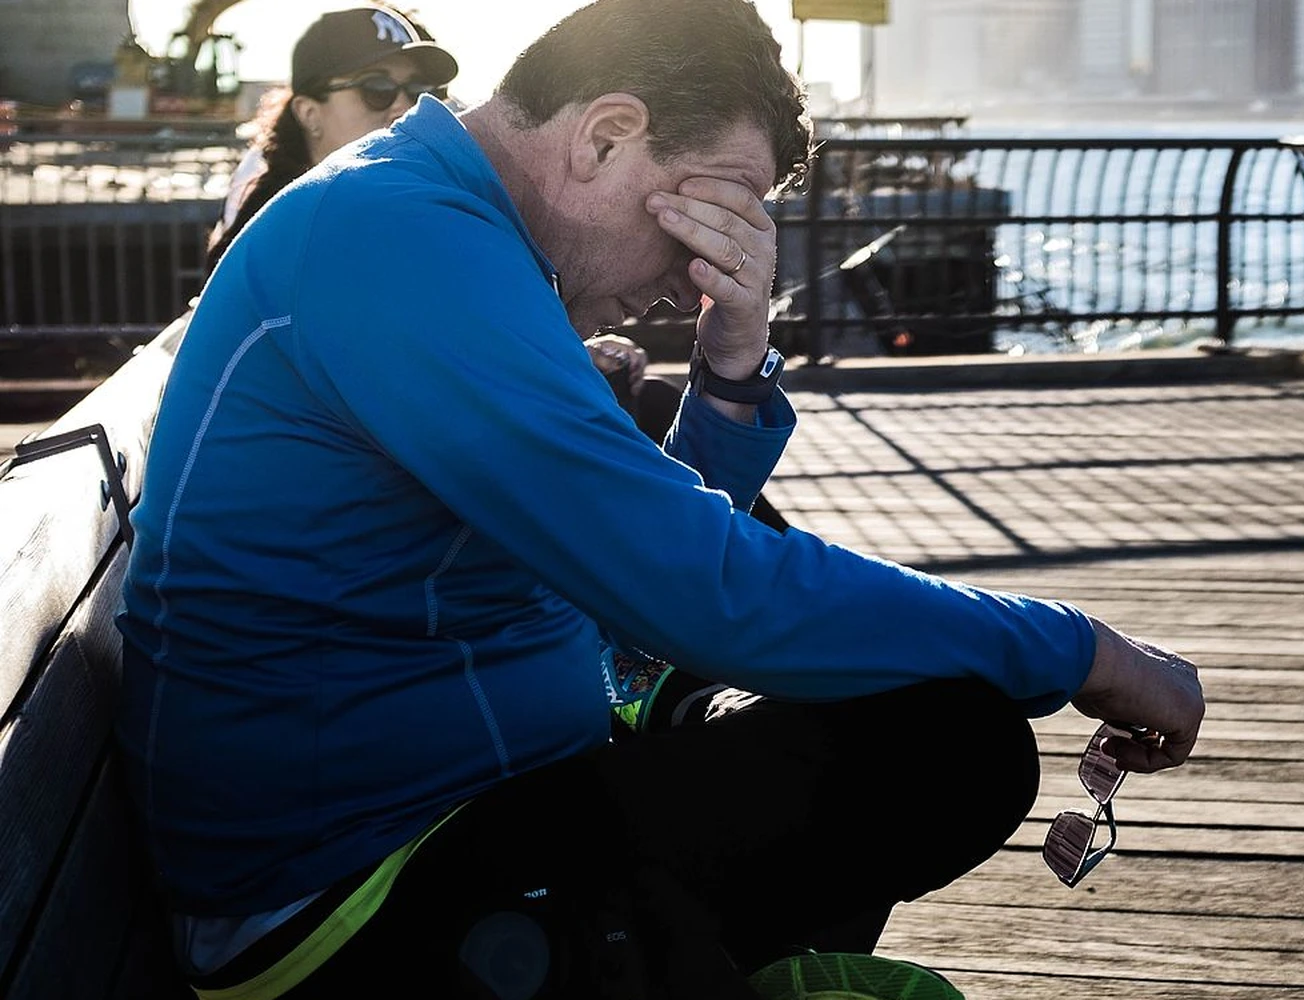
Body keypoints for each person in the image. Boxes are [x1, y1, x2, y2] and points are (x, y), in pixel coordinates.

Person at [115, 0, 1203, 997]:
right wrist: (1085, 652)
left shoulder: (441, 220)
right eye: (714, 205)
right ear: (604, 136)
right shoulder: (398, 242)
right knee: (944, 750)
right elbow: (696, 589)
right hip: (347, 900)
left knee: (931, 723)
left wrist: (731, 367)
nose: (702, 270)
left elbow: (641, 552)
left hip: (451, 801)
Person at [205, 5, 458, 275]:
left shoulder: (436, 203)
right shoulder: (276, 234)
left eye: (419, 91)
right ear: (309, 114)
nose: (405, 108)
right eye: (377, 88)